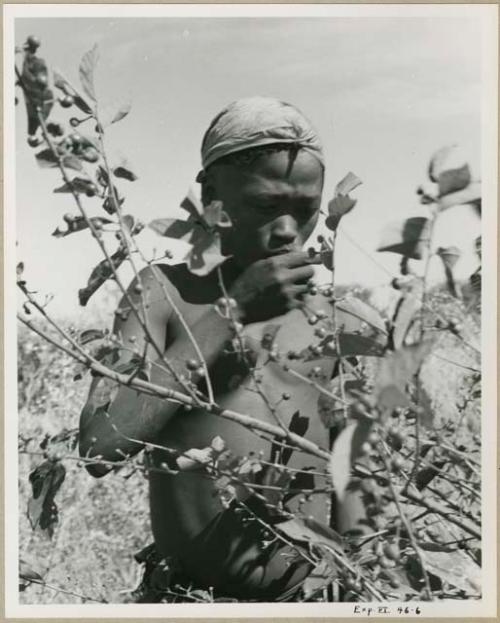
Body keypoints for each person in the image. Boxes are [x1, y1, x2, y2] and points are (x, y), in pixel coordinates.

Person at [79, 97, 377, 602]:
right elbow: (99, 447)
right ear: (212, 196)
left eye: (306, 211)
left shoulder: (341, 324)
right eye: (266, 206)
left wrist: (361, 596)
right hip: (187, 601)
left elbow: (358, 501)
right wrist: (230, 313)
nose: (288, 231)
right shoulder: (164, 294)